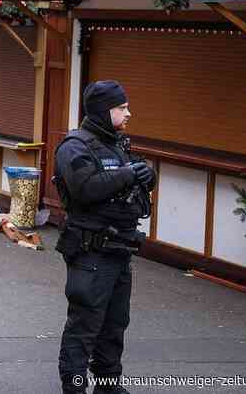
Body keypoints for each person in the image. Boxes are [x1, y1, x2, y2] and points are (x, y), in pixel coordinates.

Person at [54, 81, 153, 394]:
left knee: (114, 328)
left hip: (119, 251)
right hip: (91, 252)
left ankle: (109, 387)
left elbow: (128, 187)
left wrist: (148, 177)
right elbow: (85, 188)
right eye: (122, 107)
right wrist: (128, 174)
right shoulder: (74, 146)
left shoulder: (117, 144)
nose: (129, 113)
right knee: (84, 329)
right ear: (103, 109)